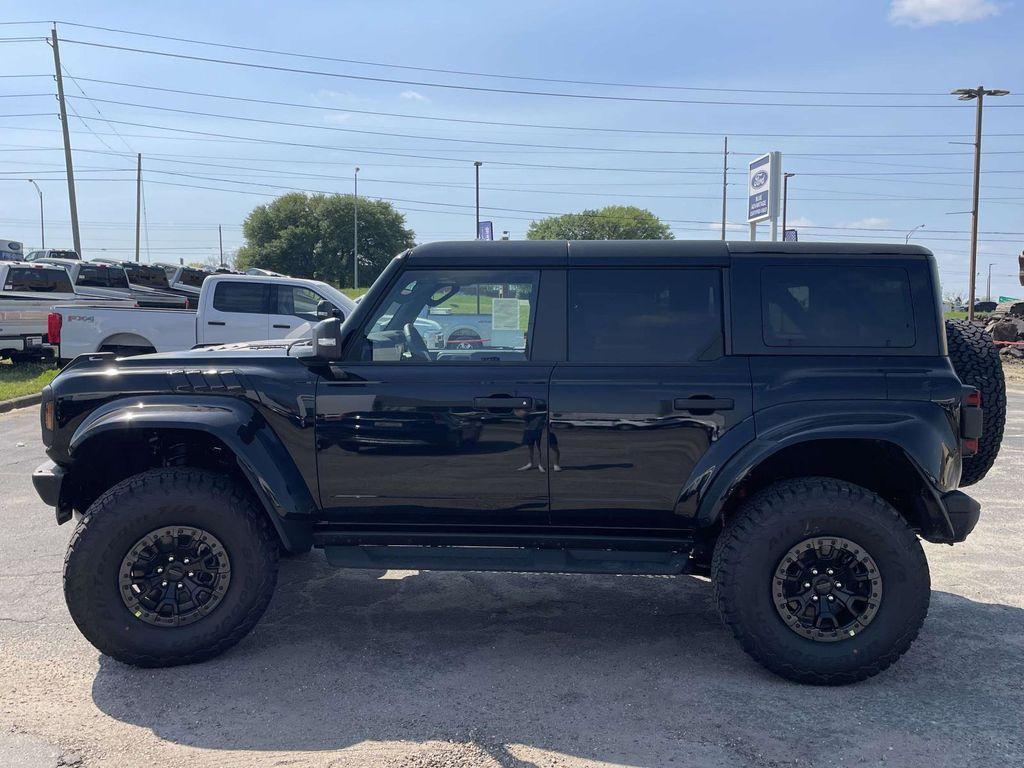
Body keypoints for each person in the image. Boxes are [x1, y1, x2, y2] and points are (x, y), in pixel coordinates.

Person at [515, 407, 561, 472]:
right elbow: (518, 413)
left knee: (553, 447)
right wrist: (523, 413)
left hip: (545, 430)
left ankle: (556, 465)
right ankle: (531, 464)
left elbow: (556, 414)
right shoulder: (526, 405)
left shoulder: (546, 404)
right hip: (530, 430)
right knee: (530, 448)